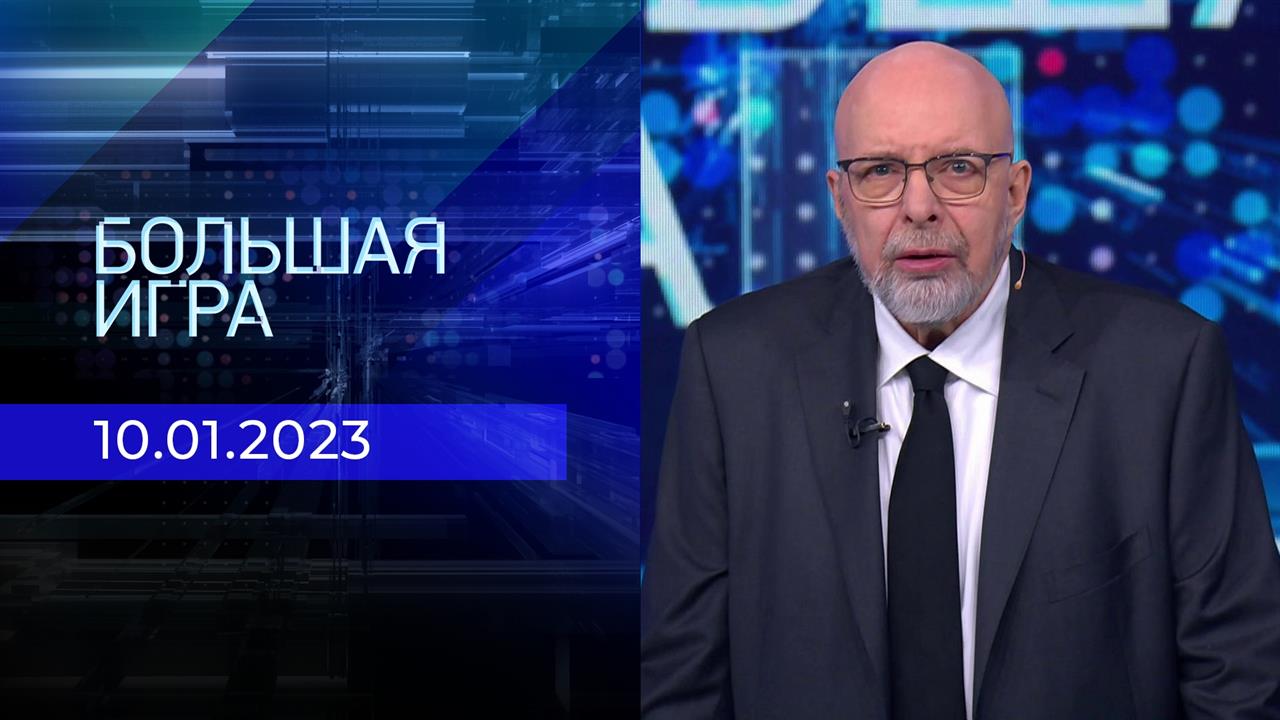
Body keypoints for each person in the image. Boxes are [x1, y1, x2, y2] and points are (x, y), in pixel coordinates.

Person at [640, 41, 1280, 719]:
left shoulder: (1162, 369)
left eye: (958, 168)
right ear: (840, 199)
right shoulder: (734, 367)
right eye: (880, 171)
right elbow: (682, 682)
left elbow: (1239, 678)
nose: (919, 207)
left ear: (1016, 191)